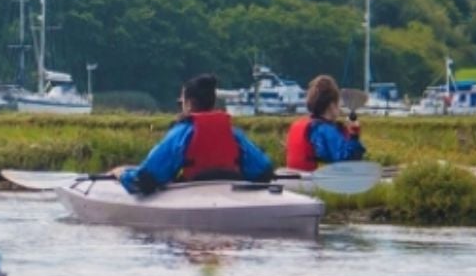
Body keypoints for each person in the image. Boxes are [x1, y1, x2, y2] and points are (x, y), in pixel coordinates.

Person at [110, 73, 274, 194]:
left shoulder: (181, 134)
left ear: (188, 103)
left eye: (181, 101)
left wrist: (123, 175)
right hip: (232, 194)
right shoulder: (234, 134)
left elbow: (146, 179)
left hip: (193, 194)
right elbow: (263, 171)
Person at [284, 75, 366, 170]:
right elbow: (346, 161)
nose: (340, 108)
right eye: (338, 103)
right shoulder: (325, 129)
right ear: (332, 105)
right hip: (314, 178)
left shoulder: (303, 125)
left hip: (296, 175)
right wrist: (354, 136)